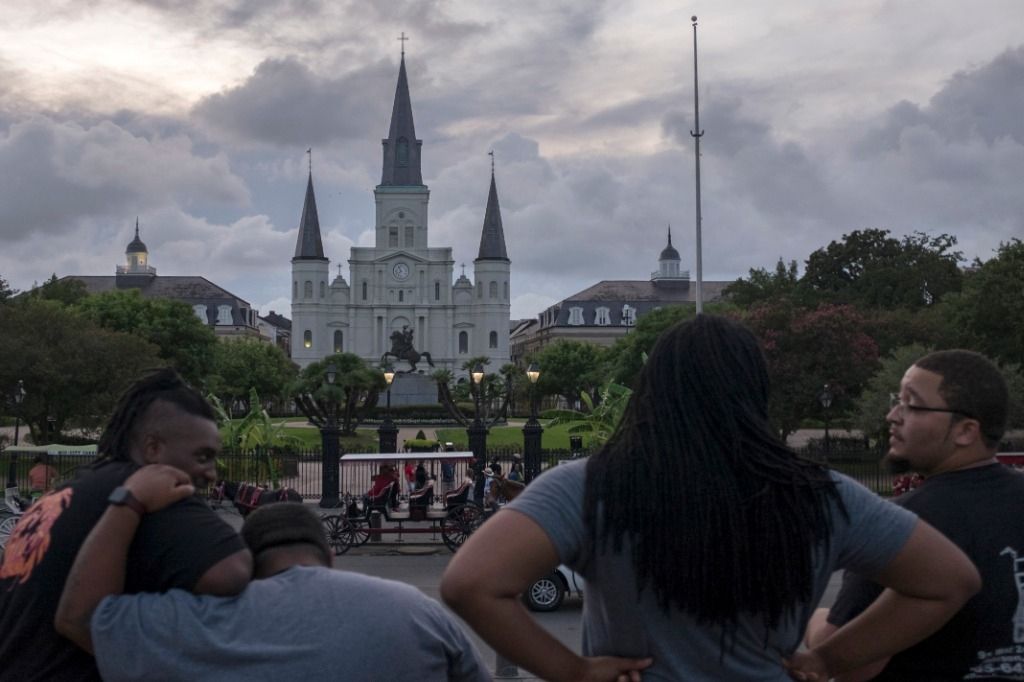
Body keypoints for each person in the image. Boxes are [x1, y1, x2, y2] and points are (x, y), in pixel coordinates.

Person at [441, 315, 980, 682]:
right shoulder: (820, 495)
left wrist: (573, 672)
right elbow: (948, 582)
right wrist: (828, 658)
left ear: (654, 388)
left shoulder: (593, 485)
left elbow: (471, 585)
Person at [54, 466, 490, 682]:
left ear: (248, 564)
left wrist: (128, 501)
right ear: (329, 557)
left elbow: (78, 618)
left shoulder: (200, 626)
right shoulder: (415, 610)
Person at [0, 368, 251, 680]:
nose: (212, 473)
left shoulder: (60, 496)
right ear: (153, 449)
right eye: (202, 457)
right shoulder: (150, 491)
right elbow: (233, 573)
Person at [806, 349, 1024, 681]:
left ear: (966, 431)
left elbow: (853, 663)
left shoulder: (904, 523)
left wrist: (816, 619)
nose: (893, 415)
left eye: (912, 404)